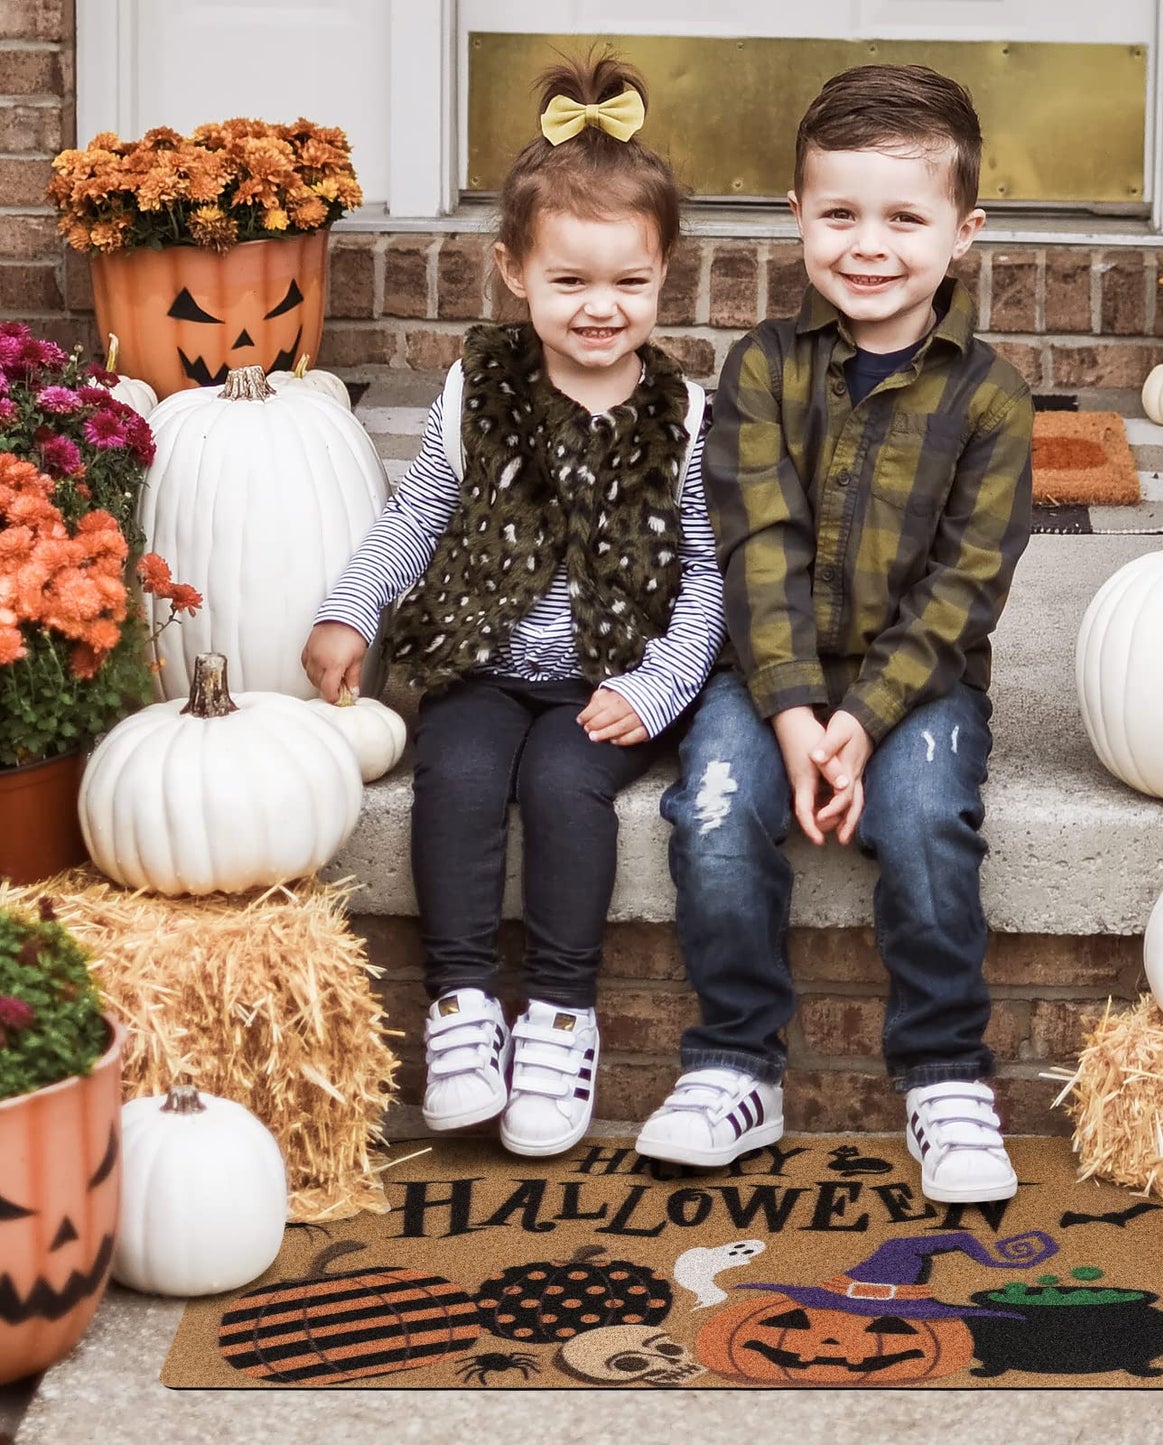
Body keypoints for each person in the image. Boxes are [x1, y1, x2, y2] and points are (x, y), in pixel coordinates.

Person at [302, 52, 723, 1158]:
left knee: (561, 782)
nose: (600, 308)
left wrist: (658, 685)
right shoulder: (471, 387)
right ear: (512, 271)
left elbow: (707, 569)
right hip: (484, 655)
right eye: (570, 282)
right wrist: (350, 611)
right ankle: (459, 1005)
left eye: (629, 283)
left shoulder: (682, 414)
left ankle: (560, 1015)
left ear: (664, 277)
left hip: (610, 676)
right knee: (461, 770)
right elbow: (415, 516)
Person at [634, 63, 1034, 1203]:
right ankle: (733, 1061)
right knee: (711, 813)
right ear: (796, 217)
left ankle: (944, 1071)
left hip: (918, 682)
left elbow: (965, 587)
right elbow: (753, 544)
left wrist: (859, 724)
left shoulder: (993, 399)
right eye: (841, 213)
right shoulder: (759, 368)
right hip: (769, 671)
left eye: (904, 217)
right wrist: (796, 713)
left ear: (963, 232)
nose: (869, 244)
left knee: (920, 823)